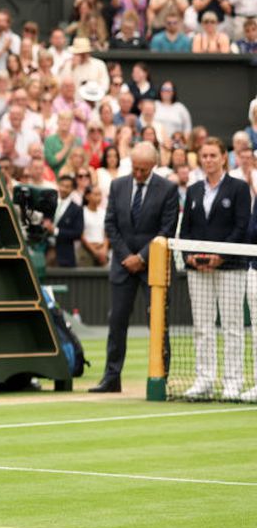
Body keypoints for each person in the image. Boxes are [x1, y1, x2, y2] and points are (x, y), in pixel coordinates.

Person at [97, 142, 180, 393]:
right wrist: (127, 257)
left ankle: (160, 378)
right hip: (123, 266)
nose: (139, 173)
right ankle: (111, 378)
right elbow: (110, 223)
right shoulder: (117, 185)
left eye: (144, 169)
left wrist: (142, 257)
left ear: (154, 166)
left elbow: (167, 229)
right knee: (117, 322)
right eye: (135, 168)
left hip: (154, 266)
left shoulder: (168, 189)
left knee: (157, 322)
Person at [179, 137, 251, 400]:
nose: (208, 160)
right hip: (198, 270)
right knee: (202, 326)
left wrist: (218, 255)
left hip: (231, 267)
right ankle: (204, 379)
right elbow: (185, 229)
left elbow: (241, 227)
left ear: (223, 158)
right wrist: (190, 256)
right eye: (204, 156)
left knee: (232, 325)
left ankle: (233, 381)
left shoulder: (240, 188)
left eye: (213, 155)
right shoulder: (194, 190)